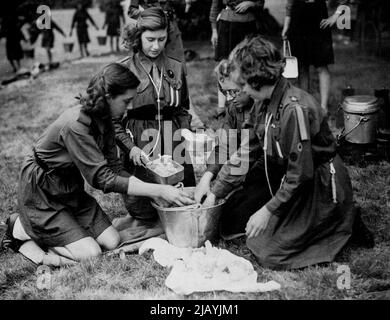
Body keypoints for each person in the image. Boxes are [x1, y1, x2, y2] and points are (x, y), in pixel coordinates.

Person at [0, 63, 194, 266]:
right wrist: (160, 190)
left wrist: (154, 190)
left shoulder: (107, 118)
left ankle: (62, 229)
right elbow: (103, 179)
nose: (129, 107)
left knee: (112, 241)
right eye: (126, 101)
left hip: (69, 188)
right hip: (42, 192)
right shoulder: (76, 125)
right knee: (91, 253)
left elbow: (115, 168)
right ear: (108, 97)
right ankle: (23, 230)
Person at [202, 36, 357, 270]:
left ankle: (337, 221)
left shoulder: (295, 110)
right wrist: (215, 191)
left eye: (243, 84)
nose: (241, 91)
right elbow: (248, 150)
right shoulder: (261, 101)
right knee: (244, 230)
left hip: (318, 184)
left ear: (257, 80)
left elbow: (301, 174)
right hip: (293, 179)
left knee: (270, 252)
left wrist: (267, 210)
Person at [116, 7, 196, 221]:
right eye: (150, 39)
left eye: (161, 39)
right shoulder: (124, 70)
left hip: (173, 137)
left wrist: (187, 132)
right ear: (137, 37)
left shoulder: (176, 67)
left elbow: (182, 108)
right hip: (140, 142)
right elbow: (112, 122)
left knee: (183, 204)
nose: (156, 46)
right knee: (145, 212)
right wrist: (129, 147)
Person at [194, 59, 255, 204]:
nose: (229, 98)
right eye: (224, 92)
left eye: (233, 91)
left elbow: (247, 155)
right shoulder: (235, 108)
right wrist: (207, 176)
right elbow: (225, 145)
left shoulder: (259, 110)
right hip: (241, 166)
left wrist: (217, 190)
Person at [281, 0, 349, 115]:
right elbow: (290, 3)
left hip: (318, 20)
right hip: (297, 21)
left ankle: (324, 108)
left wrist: (335, 16)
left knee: (321, 66)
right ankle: (304, 106)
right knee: (302, 67)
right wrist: (286, 25)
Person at [210, 0, 264, 118]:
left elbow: (260, 3)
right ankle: (221, 108)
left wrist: (251, 3)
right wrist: (214, 30)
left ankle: (247, 101)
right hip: (226, 26)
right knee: (224, 66)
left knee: (248, 64)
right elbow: (215, 6)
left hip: (248, 26)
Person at [128, 0, 185, 64]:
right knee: (147, 63)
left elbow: (182, 8)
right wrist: (150, 15)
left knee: (177, 61)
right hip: (151, 29)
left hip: (171, 29)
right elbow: (131, 11)